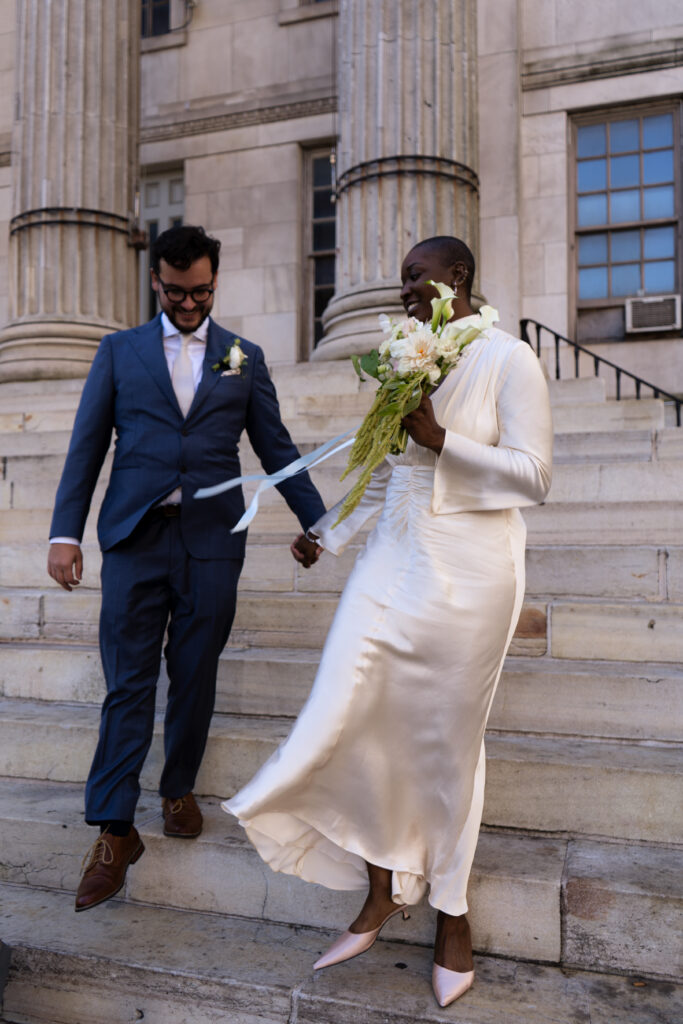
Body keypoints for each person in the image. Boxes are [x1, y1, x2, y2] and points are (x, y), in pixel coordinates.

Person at [225, 235, 553, 1007]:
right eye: (404, 278)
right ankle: (380, 886)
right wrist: (328, 535)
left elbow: (535, 476)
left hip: (472, 570)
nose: (403, 288)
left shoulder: (509, 358)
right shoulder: (408, 356)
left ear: (457, 278)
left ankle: (450, 910)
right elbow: (387, 470)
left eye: (415, 276)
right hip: (391, 561)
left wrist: (444, 439)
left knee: (446, 743)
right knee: (346, 709)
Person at [48, 224, 326, 913]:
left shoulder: (242, 356)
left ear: (214, 282)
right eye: (177, 292)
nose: (189, 303)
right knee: (128, 684)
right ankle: (113, 831)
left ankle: (177, 787)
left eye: (200, 291)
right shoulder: (119, 352)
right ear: (155, 282)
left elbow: (275, 445)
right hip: (134, 540)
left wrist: (316, 519)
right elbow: (86, 447)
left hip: (210, 543)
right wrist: (64, 532)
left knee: (195, 675)